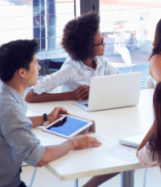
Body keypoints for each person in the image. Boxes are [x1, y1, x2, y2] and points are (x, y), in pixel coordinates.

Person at [0, 39, 101, 187]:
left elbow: (10, 123)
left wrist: (46, 118)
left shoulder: (6, 96)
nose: (39, 68)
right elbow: (39, 157)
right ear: (22, 72)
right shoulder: (10, 109)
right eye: (35, 63)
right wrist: (74, 142)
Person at [25, 11, 118, 103]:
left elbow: (120, 81)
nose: (104, 44)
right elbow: (30, 96)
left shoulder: (102, 61)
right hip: (74, 113)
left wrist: (97, 90)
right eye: (101, 42)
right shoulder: (71, 68)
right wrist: (70, 95)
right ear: (88, 47)